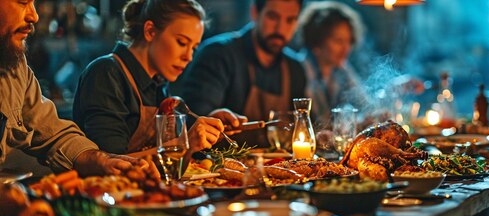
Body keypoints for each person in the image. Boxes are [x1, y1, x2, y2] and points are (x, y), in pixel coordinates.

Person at [0, 0, 156, 178]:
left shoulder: (14, 68)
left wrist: (100, 160)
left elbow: (52, 133)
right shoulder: (107, 72)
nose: (34, 16)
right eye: (22, 2)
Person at [73, 0, 247, 157]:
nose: (189, 57)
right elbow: (109, 163)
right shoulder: (107, 73)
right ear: (150, 31)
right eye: (181, 42)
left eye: (193, 48)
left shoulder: (158, 82)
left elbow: (164, 148)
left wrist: (205, 130)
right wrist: (183, 144)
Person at [180, 0, 306, 147]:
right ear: (255, 13)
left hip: (276, 166)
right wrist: (213, 119)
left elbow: (302, 122)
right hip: (220, 166)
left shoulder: (295, 68)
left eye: (290, 20)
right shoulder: (218, 54)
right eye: (273, 17)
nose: (280, 28)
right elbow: (194, 121)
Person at [297, 1, 368, 127]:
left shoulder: (341, 69)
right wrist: (357, 123)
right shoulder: (299, 69)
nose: (346, 48)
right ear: (317, 41)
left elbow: (365, 104)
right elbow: (321, 123)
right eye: (338, 41)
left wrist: (392, 90)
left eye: (349, 41)